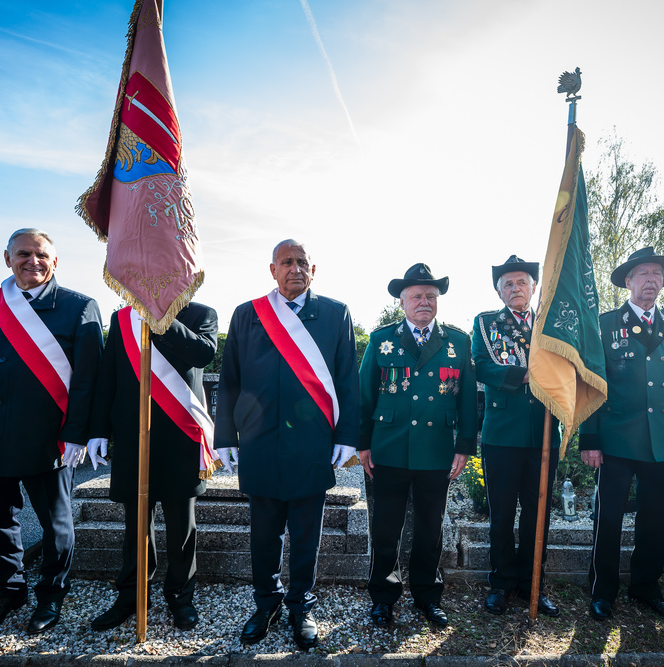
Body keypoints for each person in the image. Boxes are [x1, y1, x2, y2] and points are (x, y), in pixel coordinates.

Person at [0, 228, 103, 634]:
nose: (33, 261)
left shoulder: (80, 306)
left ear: (55, 261)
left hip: (49, 438)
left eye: (42, 255)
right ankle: (9, 591)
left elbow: (89, 381)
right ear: (7, 258)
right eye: (23, 254)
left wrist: (78, 433)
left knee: (56, 524)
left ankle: (51, 595)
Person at [214, 240, 359, 650]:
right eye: (287, 262)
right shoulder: (247, 314)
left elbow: (347, 379)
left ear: (314, 270)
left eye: (302, 263)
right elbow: (229, 380)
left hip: (312, 443)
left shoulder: (335, 313)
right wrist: (224, 437)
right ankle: (266, 604)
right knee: (263, 534)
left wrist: (347, 437)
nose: (295, 269)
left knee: (306, 534)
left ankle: (300, 605)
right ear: (273, 269)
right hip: (259, 442)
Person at [578, 246, 664, 622]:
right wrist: (590, 439)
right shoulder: (605, 324)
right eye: (643, 273)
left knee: (656, 519)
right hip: (615, 438)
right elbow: (591, 385)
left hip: (663, 439)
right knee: (608, 518)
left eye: (657, 274)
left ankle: (646, 587)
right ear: (628, 282)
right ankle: (603, 590)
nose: (651, 280)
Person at [358, 263, 477, 628]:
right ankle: (383, 597)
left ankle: (427, 596)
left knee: (430, 529)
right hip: (389, 448)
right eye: (416, 296)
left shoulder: (457, 342)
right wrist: (363, 444)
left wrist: (464, 446)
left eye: (430, 296)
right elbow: (364, 396)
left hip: (436, 450)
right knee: (385, 529)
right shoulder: (381, 340)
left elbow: (468, 400)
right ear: (402, 301)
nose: (424, 302)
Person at [88, 301, 218, 632]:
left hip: (180, 435)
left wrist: (161, 319)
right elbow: (108, 376)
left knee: (181, 528)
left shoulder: (201, 314)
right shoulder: (123, 319)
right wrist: (99, 431)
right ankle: (131, 596)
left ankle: (181, 598)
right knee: (135, 527)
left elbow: (202, 354)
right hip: (134, 436)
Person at [471, 255, 561, 617]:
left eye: (522, 281)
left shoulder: (551, 325)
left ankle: (531, 583)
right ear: (499, 291)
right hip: (503, 436)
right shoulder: (486, 323)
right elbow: (481, 366)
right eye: (507, 284)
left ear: (534, 287)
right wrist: (528, 375)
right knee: (502, 515)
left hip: (543, 435)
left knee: (538, 516)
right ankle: (501, 583)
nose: (515, 288)